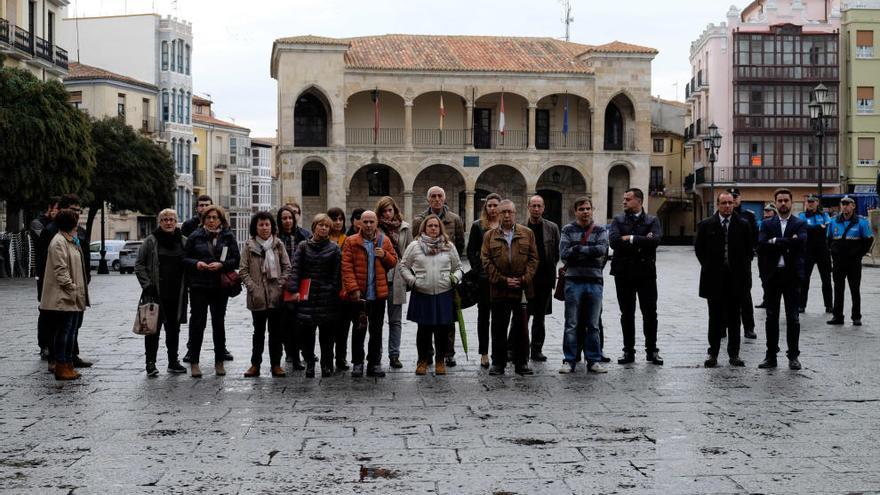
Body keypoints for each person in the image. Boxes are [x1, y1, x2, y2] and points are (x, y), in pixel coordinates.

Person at [695, 193, 754, 368]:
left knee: (735, 318)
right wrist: (709, 266)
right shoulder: (706, 225)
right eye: (723, 203)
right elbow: (699, 249)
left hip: (736, 279)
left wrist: (741, 270)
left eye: (730, 203)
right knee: (714, 318)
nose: (727, 206)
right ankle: (713, 353)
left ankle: (734, 354)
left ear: (734, 205)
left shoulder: (743, 224)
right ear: (718, 205)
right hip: (714, 279)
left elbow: (749, 250)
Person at [400, 215, 463, 376]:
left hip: (444, 293)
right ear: (424, 228)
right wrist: (413, 281)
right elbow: (403, 266)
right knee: (424, 330)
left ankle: (440, 361)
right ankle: (422, 360)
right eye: (430, 226)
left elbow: (458, 267)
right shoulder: (414, 246)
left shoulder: (448, 246)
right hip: (422, 292)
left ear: (440, 227)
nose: (433, 228)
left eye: (436, 225)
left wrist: (455, 278)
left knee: (442, 330)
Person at [481, 199, 538, 376]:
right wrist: (503, 280)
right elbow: (486, 261)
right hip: (499, 290)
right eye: (503, 212)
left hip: (521, 290)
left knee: (521, 328)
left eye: (510, 212)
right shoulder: (489, 236)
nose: (506, 215)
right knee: (498, 327)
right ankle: (498, 363)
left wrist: (524, 279)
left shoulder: (527, 233)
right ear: (497, 214)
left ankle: (522, 363)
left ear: (515, 213)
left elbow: (533, 259)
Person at [183, 205, 241, 378]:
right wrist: (196, 264)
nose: (211, 220)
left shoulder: (228, 236)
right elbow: (185, 258)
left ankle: (219, 362)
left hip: (219, 286)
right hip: (199, 285)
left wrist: (222, 265)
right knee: (197, 323)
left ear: (220, 220)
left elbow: (236, 259)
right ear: (203, 220)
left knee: (218, 323)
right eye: (208, 217)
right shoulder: (195, 236)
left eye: (215, 217)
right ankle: (194, 362)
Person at [36, 194, 92, 369]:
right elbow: (50, 263)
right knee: (58, 325)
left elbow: (83, 256)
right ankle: (57, 359)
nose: (77, 214)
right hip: (60, 287)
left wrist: (84, 279)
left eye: (78, 210)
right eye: (73, 210)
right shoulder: (53, 233)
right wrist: (69, 285)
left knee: (73, 324)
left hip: (77, 283)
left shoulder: (77, 231)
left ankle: (70, 356)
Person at [608, 188, 663, 365]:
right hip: (623, 273)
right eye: (624, 199)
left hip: (646, 273)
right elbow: (614, 242)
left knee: (650, 313)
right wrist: (642, 239)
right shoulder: (618, 220)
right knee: (627, 314)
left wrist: (630, 238)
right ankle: (628, 351)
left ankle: (652, 351)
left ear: (639, 201)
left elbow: (655, 241)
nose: (624, 202)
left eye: (628, 199)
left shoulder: (652, 220)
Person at [412, 186, 465, 367]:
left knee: (447, 320)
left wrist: (453, 275)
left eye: (439, 196)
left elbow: (459, 244)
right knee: (425, 321)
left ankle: (448, 353)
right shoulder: (419, 220)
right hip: (425, 277)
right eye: (433, 196)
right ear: (428, 199)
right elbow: (415, 246)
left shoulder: (455, 219)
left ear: (444, 198)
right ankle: (426, 354)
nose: (436, 199)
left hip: (446, 277)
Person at [341, 210, 398, 377]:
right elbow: (346, 267)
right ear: (360, 223)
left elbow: (394, 261)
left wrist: (385, 255)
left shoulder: (384, 240)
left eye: (371, 222)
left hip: (378, 294)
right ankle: (358, 362)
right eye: (365, 221)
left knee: (376, 330)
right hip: (360, 296)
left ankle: (374, 362)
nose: (368, 225)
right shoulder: (351, 241)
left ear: (376, 223)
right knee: (359, 329)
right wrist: (353, 289)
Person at [134, 209, 189, 376]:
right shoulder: (151, 241)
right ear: (160, 222)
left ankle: (173, 362)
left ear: (176, 221)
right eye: (164, 219)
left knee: (174, 329)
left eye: (171, 219)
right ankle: (150, 363)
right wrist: (147, 284)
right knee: (152, 329)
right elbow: (139, 265)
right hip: (155, 293)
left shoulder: (184, 241)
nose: (168, 222)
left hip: (177, 294)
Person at [757, 188, 807, 370]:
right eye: (780, 200)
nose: (783, 203)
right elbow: (761, 245)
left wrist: (775, 241)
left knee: (793, 318)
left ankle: (793, 356)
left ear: (791, 202)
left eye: (786, 200)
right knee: (771, 318)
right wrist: (787, 241)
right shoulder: (767, 224)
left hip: (792, 276)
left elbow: (801, 242)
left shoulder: (799, 223)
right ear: (775, 202)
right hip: (772, 276)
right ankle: (771, 356)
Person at [558, 197, 609, 374]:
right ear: (575, 211)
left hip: (594, 281)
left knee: (593, 324)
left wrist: (578, 249)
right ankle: (569, 360)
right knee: (571, 323)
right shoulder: (567, 229)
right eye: (581, 209)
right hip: (573, 282)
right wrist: (588, 251)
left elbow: (601, 251)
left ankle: (593, 359)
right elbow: (564, 254)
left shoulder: (601, 230)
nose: (585, 212)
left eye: (588, 208)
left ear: (592, 210)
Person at [290, 214, 342, 377]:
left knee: (327, 335)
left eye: (327, 226)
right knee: (307, 334)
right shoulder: (303, 246)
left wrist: (333, 289)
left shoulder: (334, 248)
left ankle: (327, 364)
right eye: (321, 225)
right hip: (307, 295)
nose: (324, 228)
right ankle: (310, 363)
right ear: (314, 227)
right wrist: (294, 289)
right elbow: (296, 269)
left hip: (327, 297)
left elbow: (337, 273)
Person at [241, 212, 292, 378]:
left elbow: (287, 267)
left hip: (275, 295)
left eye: (267, 224)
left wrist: (280, 284)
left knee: (275, 332)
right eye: (261, 225)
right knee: (258, 332)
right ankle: (255, 364)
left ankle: (276, 364)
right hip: (257, 297)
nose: (264, 228)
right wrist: (253, 288)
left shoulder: (278, 245)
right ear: (255, 227)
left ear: (272, 226)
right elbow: (243, 270)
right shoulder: (249, 246)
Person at [519, 195, 560, 362]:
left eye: (539, 206)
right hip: (525, 280)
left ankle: (536, 349)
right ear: (528, 207)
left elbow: (556, 253)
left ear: (543, 208)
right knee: (522, 317)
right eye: (533, 206)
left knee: (540, 318)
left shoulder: (552, 227)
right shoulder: (520, 227)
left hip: (544, 279)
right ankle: (518, 348)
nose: (536, 209)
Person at [375, 196, 413, 369]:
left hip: (397, 278)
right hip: (379, 277)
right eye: (384, 211)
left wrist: (408, 274)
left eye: (390, 210)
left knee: (395, 320)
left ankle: (394, 354)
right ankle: (376, 354)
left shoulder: (404, 228)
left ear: (395, 210)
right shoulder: (375, 228)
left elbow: (411, 251)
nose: (388, 214)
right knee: (376, 319)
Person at [826, 196, 874, 327]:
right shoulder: (834, 221)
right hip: (838, 262)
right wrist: (833, 253)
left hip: (853, 263)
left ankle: (856, 317)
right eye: (843, 203)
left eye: (848, 204)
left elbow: (868, 240)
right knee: (838, 289)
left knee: (854, 290)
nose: (845, 206)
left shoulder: (861, 222)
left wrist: (858, 255)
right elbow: (829, 239)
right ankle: (837, 316)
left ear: (853, 206)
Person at [467, 193, 501, 368]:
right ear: (485, 207)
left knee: (500, 317)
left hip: (502, 278)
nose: (493, 209)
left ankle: (498, 352)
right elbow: (471, 251)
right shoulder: (478, 226)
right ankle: (484, 353)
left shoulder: (505, 226)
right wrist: (479, 270)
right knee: (484, 316)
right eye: (490, 205)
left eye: (496, 205)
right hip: (484, 278)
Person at [277, 204, 311, 370]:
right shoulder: (276, 237)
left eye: (290, 217)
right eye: (284, 218)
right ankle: (290, 351)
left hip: (300, 282)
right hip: (281, 283)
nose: (288, 221)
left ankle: (302, 352)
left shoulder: (304, 235)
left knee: (301, 320)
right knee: (285, 321)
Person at [728, 188, 759, 340]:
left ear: (740, 198)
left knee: (745, 296)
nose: (733, 200)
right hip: (727, 264)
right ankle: (723, 327)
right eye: (731, 197)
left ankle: (749, 328)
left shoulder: (748, 216)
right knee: (724, 296)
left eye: (735, 197)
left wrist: (748, 257)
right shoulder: (722, 216)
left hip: (743, 263)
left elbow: (754, 238)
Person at [31, 196, 59, 359]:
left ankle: (54, 343)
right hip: (43, 273)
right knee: (45, 309)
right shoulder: (39, 223)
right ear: (50, 208)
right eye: (56, 208)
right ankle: (44, 345)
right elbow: (41, 237)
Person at [798, 194, 834, 314]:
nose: (810, 203)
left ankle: (829, 305)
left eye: (813, 201)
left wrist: (813, 229)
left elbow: (827, 228)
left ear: (817, 202)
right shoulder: (801, 215)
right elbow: (803, 227)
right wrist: (819, 227)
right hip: (807, 250)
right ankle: (801, 305)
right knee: (804, 279)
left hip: (822, 250)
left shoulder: (824, 215)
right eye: (809, 201)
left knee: (826, 279)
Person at [327, 207, 350, 370]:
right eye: (334, 219)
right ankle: (327, 358)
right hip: (327, 289)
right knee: (328, 326)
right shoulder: (323, 239)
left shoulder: (347, 240)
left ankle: (341, 357)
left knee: (343, 326)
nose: (337, 222)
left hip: (343, 289)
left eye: (340, 219)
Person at [755, 203, 777, 310]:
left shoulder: (776, 222)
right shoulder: (760, 222)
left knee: (770, 278)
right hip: (761, 254)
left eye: (769, 211)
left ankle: (771, 300)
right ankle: (766, 299)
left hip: (771, 254)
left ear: (774, 212)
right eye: (766, 211)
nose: (767, 212)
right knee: (763, 278)